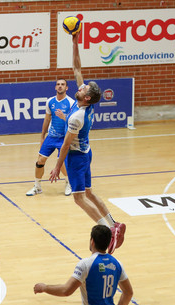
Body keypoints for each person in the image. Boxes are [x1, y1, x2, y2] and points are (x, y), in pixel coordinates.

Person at [49, 32, 126, 254]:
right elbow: (77, 69)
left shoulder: (77, 117)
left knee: (79, 198)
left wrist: (56, 166)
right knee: (90, 193)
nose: (79, 87)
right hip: (86, 152)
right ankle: (115, 224)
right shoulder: (86, 104)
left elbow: (64, 146)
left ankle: (108, 232)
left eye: (83, 89)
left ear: (87, 98)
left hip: (77, 157)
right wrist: (75, 43)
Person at [34, 225, 133, 305]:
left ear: (92, 241)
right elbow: (128, 293)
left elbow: (66, 290)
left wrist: (44, 288)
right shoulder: (117, 264)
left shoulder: (86, 264)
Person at [26, 79, 74, 196]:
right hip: (51, 137)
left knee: (61, 163)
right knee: (40, 161)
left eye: (62, 85)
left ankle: (68, 183)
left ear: (67, 88)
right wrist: (42, 136)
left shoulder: (71, 102)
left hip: (64, 137)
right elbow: (47, 119)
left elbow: (73, 121)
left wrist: (64, 117)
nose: (60, 86)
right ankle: (37, 187)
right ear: (55, 87)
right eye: (58, 84)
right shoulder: (50, 101)